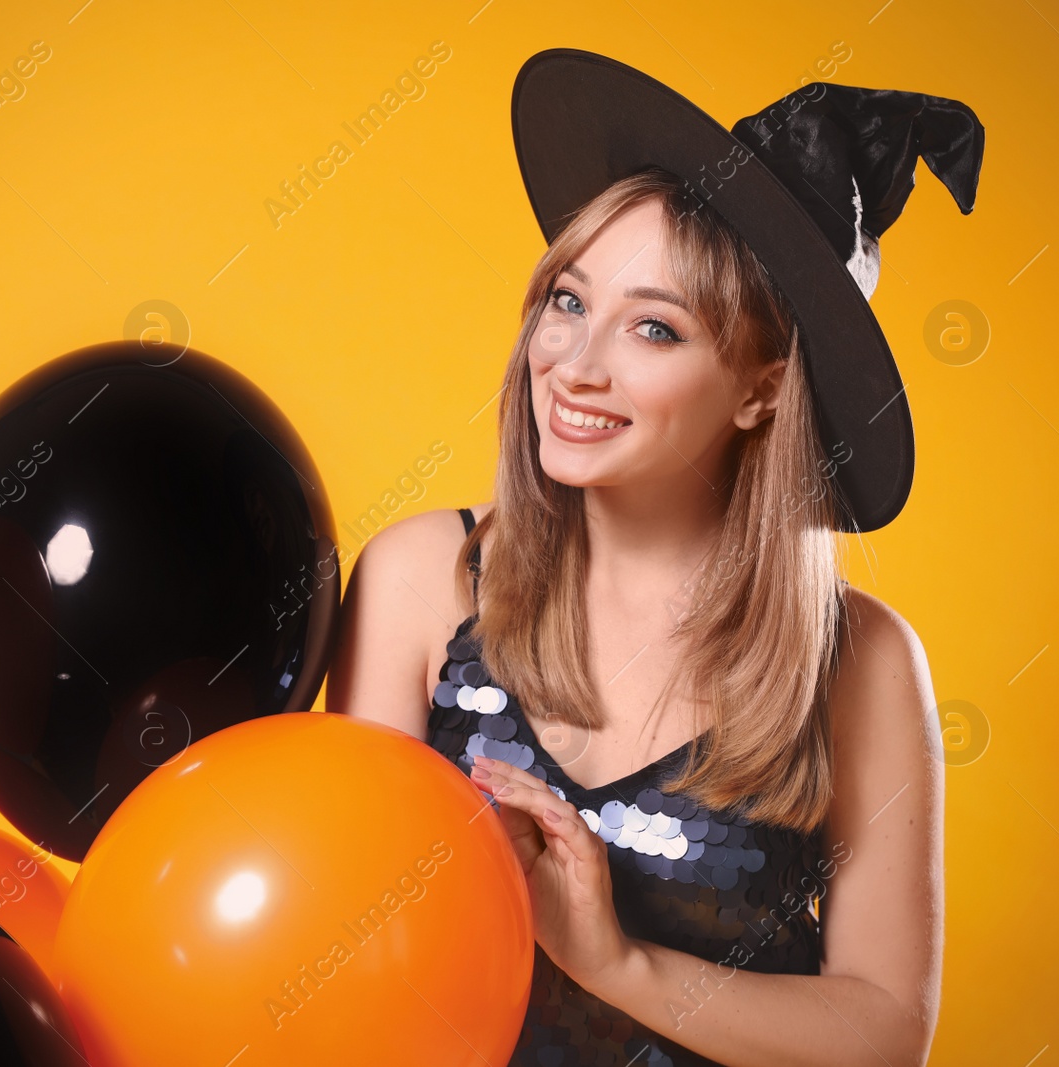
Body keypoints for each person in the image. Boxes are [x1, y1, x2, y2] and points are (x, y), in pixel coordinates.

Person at [325, 49, 983, 1067]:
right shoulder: (422, 578)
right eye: (570, 301)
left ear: (762, 387)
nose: (575, 366)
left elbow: (883, 1033)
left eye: (654, 328)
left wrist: (617, 960)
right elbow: (336, 946)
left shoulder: (861, 665)